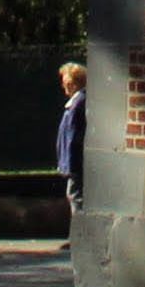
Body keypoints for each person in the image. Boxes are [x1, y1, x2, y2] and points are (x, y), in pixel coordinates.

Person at [53, 60, 87, 217]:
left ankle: (81, 228)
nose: (63, 86)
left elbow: (73, 137)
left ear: (73, 83)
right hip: (73, 162)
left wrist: (69, 165)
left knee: (75, 195)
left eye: (65, 82)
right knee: (74, 194)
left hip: (75, 164)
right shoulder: (76, 103)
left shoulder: (78, 104)